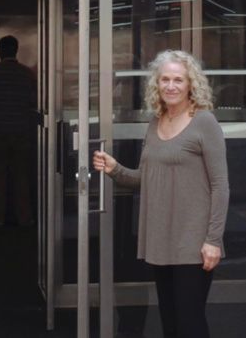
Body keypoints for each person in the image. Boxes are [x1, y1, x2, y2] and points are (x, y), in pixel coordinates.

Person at [93, 50, 229, 338]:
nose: (171, 86)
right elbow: (147, 179)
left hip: (193, 244)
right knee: (170, 322)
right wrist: (115, 169)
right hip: (160, 240)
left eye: (178, 80)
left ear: (191, 84)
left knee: (190, 323)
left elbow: (221, 186)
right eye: (165, 79)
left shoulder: (205, 122)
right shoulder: (156, 123)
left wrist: (213, 240)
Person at [0, 35, 38, 227]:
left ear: (0, 51)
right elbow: (33, 100)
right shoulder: (27, 74)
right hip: (21, 130)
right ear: (16, 50)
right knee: (22, 176)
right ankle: (25, 217)